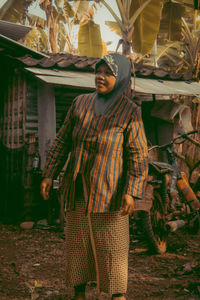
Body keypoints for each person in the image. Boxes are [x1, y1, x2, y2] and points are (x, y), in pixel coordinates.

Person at [40, 53, 149, 300]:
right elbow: (62, 141)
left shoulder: (130, 112)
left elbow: (138, 156)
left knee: (113, 246)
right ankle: (79, 293)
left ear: (120, 78)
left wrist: (132, 191)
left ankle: (117, 295)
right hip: (78, 186)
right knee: (78, 243)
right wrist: (49, 174)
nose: (100, 77)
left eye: (108, 73)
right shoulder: (80, 103)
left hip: (111, 192)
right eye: (98, 72)